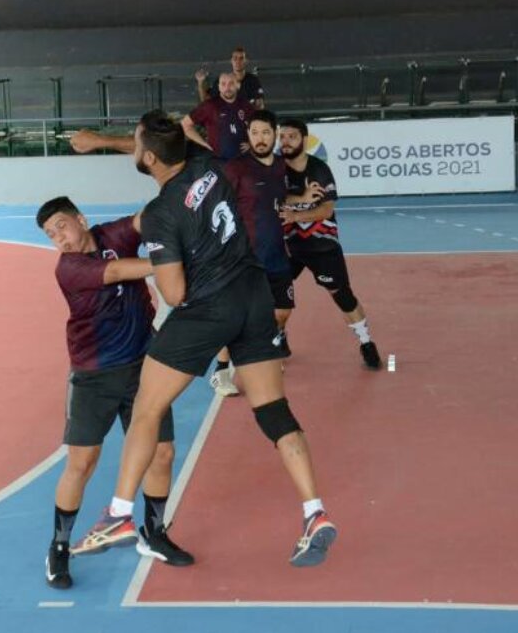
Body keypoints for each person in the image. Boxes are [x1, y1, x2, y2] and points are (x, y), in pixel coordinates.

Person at [72, 110, 337, 568]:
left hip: (210, 309)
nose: (132, 149)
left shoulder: (159, 214)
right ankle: (314, 512)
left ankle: (119, 514)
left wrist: (162, 263)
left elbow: (173, 292)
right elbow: (157, 146)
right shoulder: (208, 164)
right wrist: (101, 142)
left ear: (150, 158)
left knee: (146, 407)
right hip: (255, 296)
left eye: (136, 146)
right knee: (274, 411)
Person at [36, 197, 193, 589]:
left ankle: (153, 533)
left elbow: (146, 218)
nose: (60, 238)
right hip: (94, 375)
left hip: (145, 366)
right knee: (82, 463)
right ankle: (58, 546)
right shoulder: (69, 268)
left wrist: (183, 195)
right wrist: (181, 261)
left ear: (81, 220)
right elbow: (122, 270)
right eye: (51, 234)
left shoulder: (111, 234)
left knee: (162, 453)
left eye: (62, 227)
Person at [278, 118, 382, 370]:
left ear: (303, 139)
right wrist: (297, 200)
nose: (285, 142)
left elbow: (326, 210)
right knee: (276, 300)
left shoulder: (319, 170)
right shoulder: (275, 169)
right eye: (282, 137)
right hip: (286, 246)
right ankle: (278, 339)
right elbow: (270, 199)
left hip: (320, 246)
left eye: (291, 137)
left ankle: (366, 343)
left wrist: (295, 214)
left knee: (343, 296)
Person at [209, 109, 295, 397]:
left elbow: (282, 197)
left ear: (275, 134)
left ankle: (270, 346)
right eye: (255, 133)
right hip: (243, 258)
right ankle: (221, 372)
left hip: (277, 255)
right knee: (233, 317)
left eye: (266, 133)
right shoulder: (236, 168)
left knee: (282, 312)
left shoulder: (282, 166)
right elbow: (218, 208)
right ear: (248, 135)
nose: (260, 138)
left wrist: (303, 200)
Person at [181, 72, 254, 160]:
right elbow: (185, 125)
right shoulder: (210, 105)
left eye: (231, 83)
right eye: (223, 84)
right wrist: (204, 144)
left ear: (238, 85)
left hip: (242, 161)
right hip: (217, 161)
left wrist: (252, 143)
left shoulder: (246, 105)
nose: (227, 88)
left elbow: (259, 126)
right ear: (219, 87)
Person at [195, 46, 265, 109]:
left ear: (246, 61)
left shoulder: (253, 80)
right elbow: (206, 101)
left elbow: (260, 105)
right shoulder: (223, 80)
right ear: (231, 61)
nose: (238, 61)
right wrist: (200, 82)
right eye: (235, 58)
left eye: (241, 58)